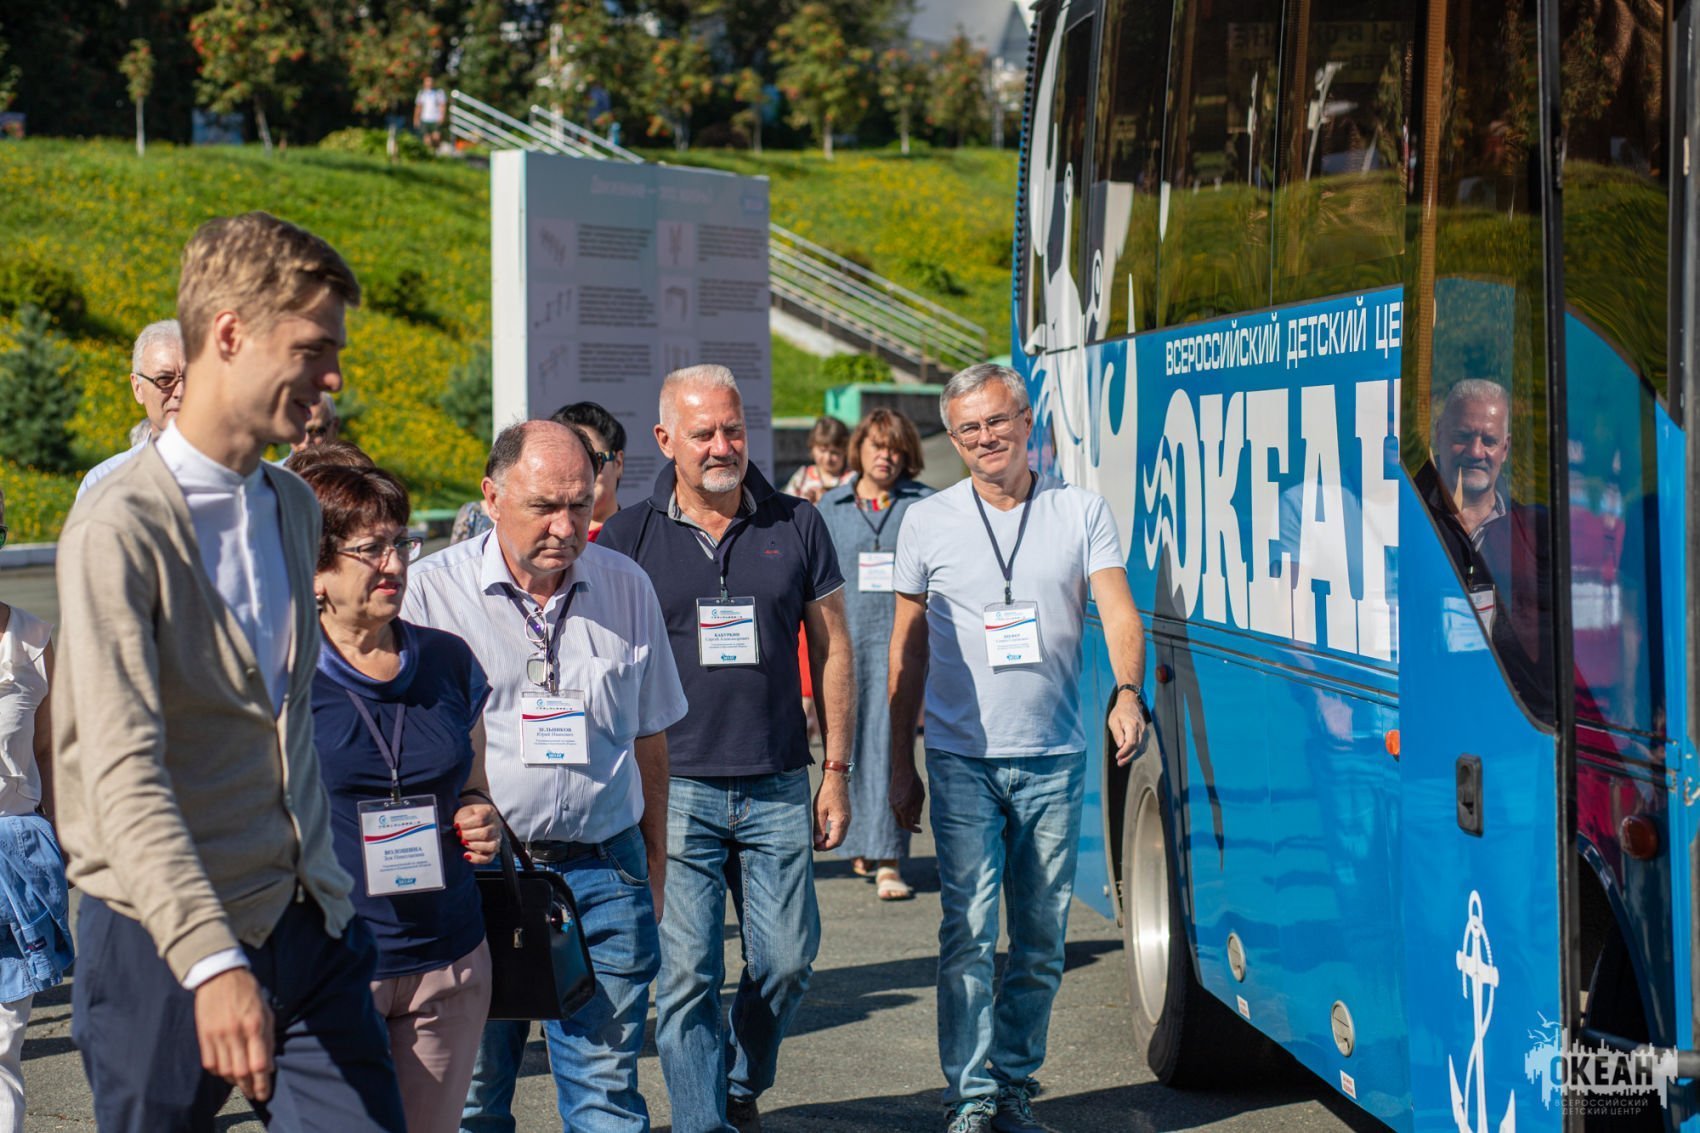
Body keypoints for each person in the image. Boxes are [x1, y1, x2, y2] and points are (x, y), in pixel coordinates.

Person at [54, 210, 408, 1132]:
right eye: (313, 348)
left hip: (307, 927)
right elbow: (121, 772)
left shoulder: (292, 504)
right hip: (158, 942)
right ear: (229, 334)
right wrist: (211, 960)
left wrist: (328, 904)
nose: (333, 376)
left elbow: (286, 724)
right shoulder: (118, 526)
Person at [403, 419, 687, 1133]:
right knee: (472, 1099)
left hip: (605, 871)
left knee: (605, 1096)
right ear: (492, 496)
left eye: (580, 505)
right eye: (544, 506)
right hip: (480, 881)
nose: (565, 526)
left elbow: (650, 735)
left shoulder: (626, 586)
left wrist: (654, 862)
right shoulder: (430, 596)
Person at [886, 363, 1148, 1133]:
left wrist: (1126, 692)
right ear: (953, 436)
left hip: (1053, 756)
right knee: (967, 931)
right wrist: (899, 763)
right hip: (961, 757)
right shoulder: (927, 520)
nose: (984, 437)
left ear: (1027, 421)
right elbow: (906, 652)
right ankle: (969, 1097)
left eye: (997, 421)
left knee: (1038, 939)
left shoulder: (1078, 510)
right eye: (967, 427)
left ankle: (1012, 1084)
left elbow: (1119, 611)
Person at [597, 364, 854, 1133]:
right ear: (665, 439)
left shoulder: (796, 522)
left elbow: (834, 649)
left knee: (786, 960)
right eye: (704, 432)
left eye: (733, 429)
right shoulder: (628, 536)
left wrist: (837, 770)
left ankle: (739, 1079)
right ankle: (704, 1120)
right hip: (673, 788)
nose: (722, 445)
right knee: (686, 976)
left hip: (777, 781)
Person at [301, 462, 501, 1133]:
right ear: (315, 568)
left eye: (400, 543)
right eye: (370, 549)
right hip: (330, 967)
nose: (393, 563)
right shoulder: (278, 674)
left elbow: (472, 786)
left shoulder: (448, 661)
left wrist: (479, 813)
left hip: (447, 961)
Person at [816, 409, 932, 901]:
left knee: (890, 746)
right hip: (845, 645)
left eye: (896, 448)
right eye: (877, 446)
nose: (886, 456)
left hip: (900, 645)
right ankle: (862, 839)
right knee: (848, 747)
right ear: (858, 449)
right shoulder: (831, 507)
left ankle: (889, 858)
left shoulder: (924, 506)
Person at [0, 486, 73, 1133]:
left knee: (3, 1040)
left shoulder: (33, 639)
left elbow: (49, 751)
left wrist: (60, 838)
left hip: (13, 857)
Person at [1414, 377, 1552, 717]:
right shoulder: (1408, 517)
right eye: (1463, 436)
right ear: (1438, 434)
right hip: (1430, 715)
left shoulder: (1537, 532)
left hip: (1517, 721)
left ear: (1505, 448)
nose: (1476, 452)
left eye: (1488, 440)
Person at [77, 319, 186, 498]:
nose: (180, 392)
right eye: (164, 380)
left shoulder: (234, 478)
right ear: (137, 388)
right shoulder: (102, 484)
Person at [551, 400, 626, 540]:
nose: (577, 473)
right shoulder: (542, 541)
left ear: (618, 463)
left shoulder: (640, 538)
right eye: (563, 461)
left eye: (592, 460)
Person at [782, 415, 850, 503]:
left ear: (845, 451)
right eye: (822, 451)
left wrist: (827, 500)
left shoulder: (852, 479)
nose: (827, 458)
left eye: (835, 452)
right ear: (812, 447)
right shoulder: (802, 477)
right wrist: (804, 502)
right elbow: (786, 505)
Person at [415, 76, 447, 150]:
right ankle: (429, 153)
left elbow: (442, 105)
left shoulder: (438, 92)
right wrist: (416, 118)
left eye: (430, 81)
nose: (429, 83)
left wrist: (442, 116)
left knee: (436, 138)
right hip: (424, 119)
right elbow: (418, 107)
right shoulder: (421, 93)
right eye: (427, 81)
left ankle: (436, 152)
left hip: (435, 118)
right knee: (427, 140)